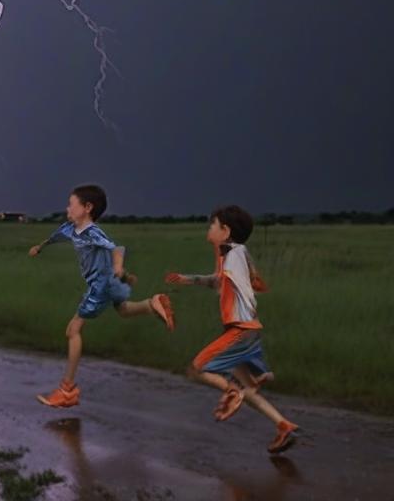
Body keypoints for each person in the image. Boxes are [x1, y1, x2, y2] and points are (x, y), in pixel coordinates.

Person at [165, 204, 298, 454]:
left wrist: (243, 291)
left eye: (213, 225)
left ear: (225, 231)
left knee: (196, 369)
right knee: (249, 389)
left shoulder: (233, 254)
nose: (209, 228)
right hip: (247, 330)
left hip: (240, 330)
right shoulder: (232, 252)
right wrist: (189, 279)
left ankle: (232, 391)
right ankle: (284, 425)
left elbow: (238, 281)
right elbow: (221, 280)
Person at [28, 183, 175, 408]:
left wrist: (118, 267)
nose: (67, 209)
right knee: (124, 310)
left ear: (87, 207)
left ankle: (67, 390)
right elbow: (55, 237)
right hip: (110, 281)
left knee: (73, 330)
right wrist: (40, 247)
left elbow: (115, 248)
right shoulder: (70, 228)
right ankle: (152, 304)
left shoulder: (93, 232)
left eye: (71, 205)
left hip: (101, 285)